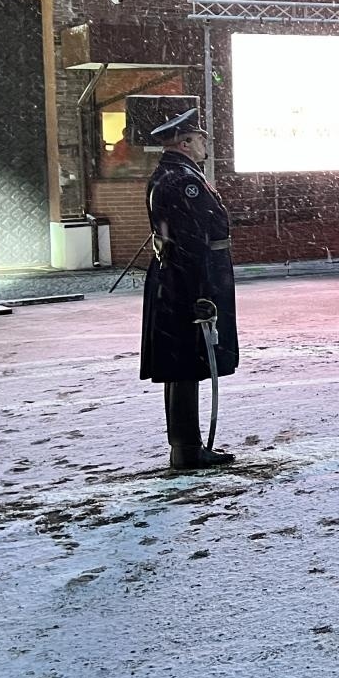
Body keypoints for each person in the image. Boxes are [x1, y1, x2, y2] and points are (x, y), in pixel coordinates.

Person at [140, 108, 237, 470]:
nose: (205, 143)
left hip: (176, 279)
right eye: (199, 138)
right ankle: (187, 449)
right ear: (184, 143)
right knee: (186, 364)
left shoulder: (173, 175)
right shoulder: (183, 181)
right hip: (187, 281)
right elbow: (192, 242)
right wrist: (203, 294)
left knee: (181, 365)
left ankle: (185, 445)